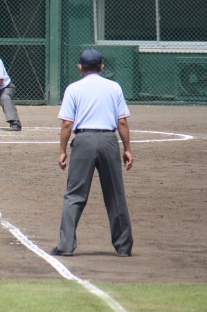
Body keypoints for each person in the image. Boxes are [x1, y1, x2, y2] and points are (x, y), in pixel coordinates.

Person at [50, 48, 133, 257]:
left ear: (80, 67)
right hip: (108, 141)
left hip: (84, 141)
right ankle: (124, 247)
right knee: (115, 194)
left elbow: (67, 124)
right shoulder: (114, 87)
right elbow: (122, 121)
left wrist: (62, 151)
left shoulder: (73, 88)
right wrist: (127, 149)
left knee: (74, 195)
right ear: (102, 67)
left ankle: (66, 245)